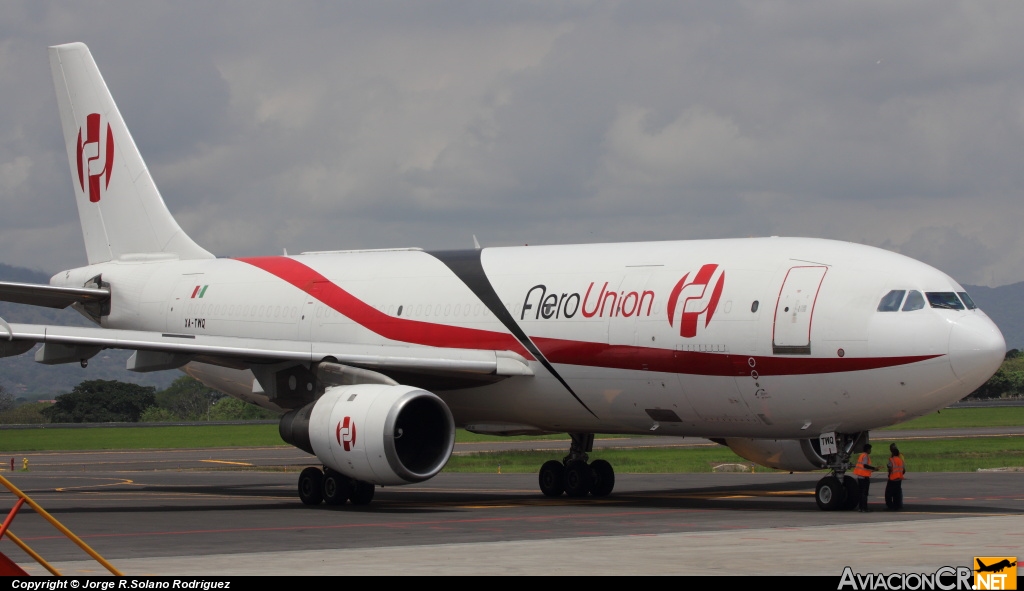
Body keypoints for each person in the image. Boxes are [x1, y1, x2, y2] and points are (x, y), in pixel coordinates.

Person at [853, 443, 878, 512]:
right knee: (864, 493)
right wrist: (874, 468)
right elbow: (865, 465)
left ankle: (861, 508)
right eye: (870, 449)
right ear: (867, 449)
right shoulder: (865, 456)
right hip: (864, 477)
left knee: (861, 493)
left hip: (860, 476)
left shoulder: (861, 455)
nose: (870, 451)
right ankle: (864, 508)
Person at [886, 443, 906, 510]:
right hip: (899, 479)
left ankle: (891, 506)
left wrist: (890, 474)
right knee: (896, 493)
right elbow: (903, 469)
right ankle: (897, 506)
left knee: (888, 494)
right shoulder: (900, 459)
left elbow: (890, 467)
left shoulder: (892, 459)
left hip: (892, 479)